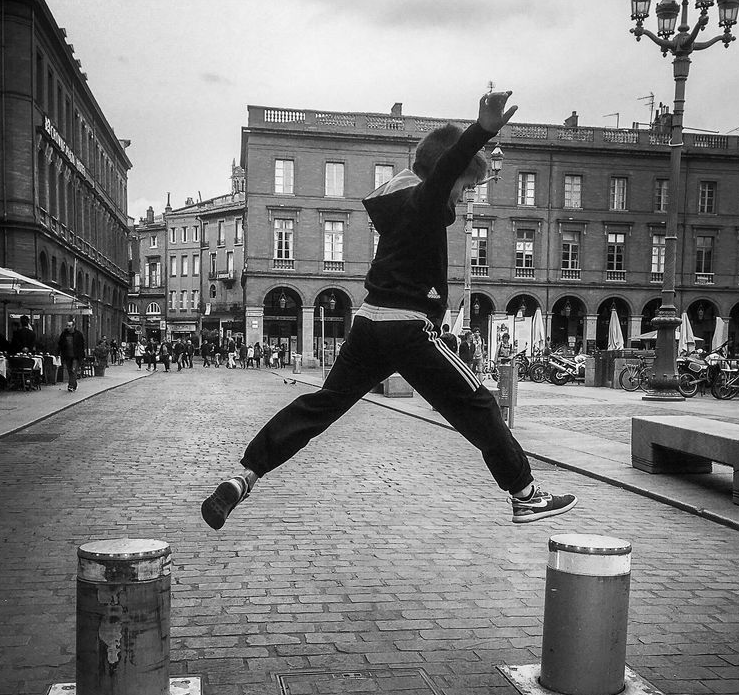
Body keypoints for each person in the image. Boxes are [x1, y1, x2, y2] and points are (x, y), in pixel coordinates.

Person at [202, 90, 577, 531]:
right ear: (445, 177)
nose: (462, 197)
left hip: (368, 323)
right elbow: (445, 172)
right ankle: (526, 495)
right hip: (408, 328)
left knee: (321, 405)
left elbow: (444, 176)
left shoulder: (399, 205)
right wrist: (481, 131)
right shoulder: (424, 200)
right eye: (464, 186)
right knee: (478, 405)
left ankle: (245, 475)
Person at [57, 317, 85, 392]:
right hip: (67, 356)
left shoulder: (78, 334)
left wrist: (82, 356)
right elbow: (60, 344)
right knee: (70, 371)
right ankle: (74, 384)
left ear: (73, 326)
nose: (68, 327)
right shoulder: (64, 334)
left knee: (73, 370)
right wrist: (58, 353)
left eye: (69, 326)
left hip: (76, 356)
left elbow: (82, 345)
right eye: (67, 326)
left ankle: (71, 385)